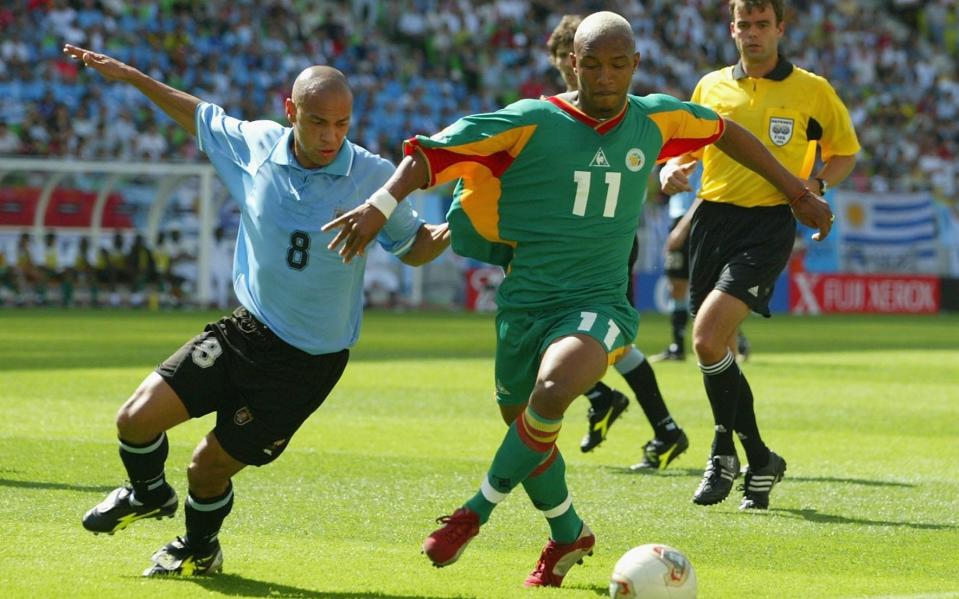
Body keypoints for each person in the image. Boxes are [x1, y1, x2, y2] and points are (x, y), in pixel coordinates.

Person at [323, 11, 832, 588]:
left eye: (618, 64)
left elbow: (725, 132)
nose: (606, 76)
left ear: (635, 65)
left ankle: (473, 514)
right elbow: (430, 153)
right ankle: (569, 535)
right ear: (573, 63)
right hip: (525, 302)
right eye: (592, 63)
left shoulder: (656, 117)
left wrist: (796, 192)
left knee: (553, 390)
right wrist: (381, 205)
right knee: (529, 431)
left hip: (600, 302)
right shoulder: (530, 120)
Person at [63, 43, 450, 577]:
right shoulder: (256, 143)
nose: (329, 137)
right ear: (290, 111)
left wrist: (469, 219)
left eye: (341, 124)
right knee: (135, 419)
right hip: (245, 330)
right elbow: (195, 112)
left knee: (207, 468)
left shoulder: (373, 175)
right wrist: (130, 75)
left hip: (305, 364)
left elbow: (417, 249)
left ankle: (199, 548)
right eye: (317, 122)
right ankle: (147, 493)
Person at [658, 0, 858, 511]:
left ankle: (723, 451)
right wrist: (672, 169)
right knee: (713, 348)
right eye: (743, 25)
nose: (752, 34)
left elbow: (845, 151)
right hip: (711, 219)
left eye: (762, 24)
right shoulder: (710, 86)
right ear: (732, 29)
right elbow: (691, 146)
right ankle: (756, 455)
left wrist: (813, 185)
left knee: (706, 337)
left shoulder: (812, 89)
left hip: (768, 224)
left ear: (780, 29)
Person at [547, 13, 689, 467]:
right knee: (593, 342)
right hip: (566, 245)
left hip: (604, 245)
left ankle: (619, 405)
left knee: (584, 338)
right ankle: (658, 425)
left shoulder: (623, 113)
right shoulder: (558, 113)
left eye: (574, 63)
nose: (581, 74)